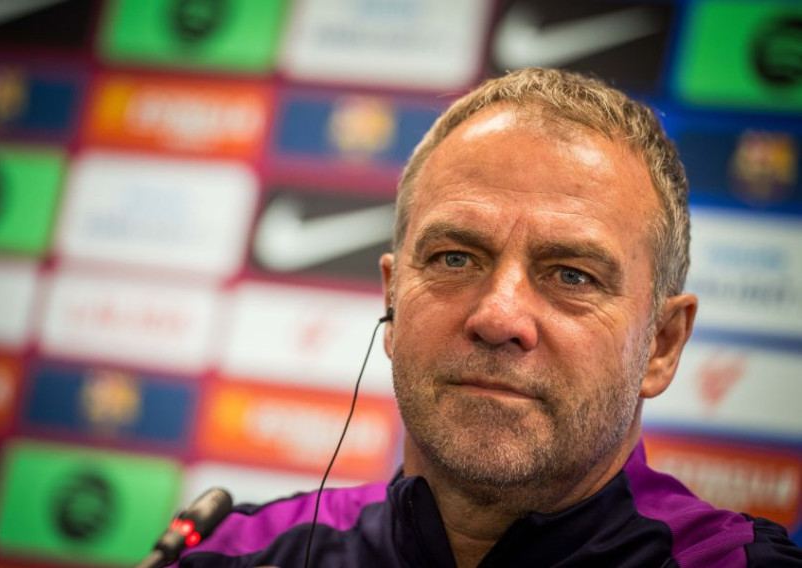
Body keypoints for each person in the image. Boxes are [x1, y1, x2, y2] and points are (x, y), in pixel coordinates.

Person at [169, 69, 802, 567]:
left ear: (661, 344)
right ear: (392, 301)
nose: (498, 317)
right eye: (454, 258)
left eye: (572, 275)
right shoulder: (239, 554)